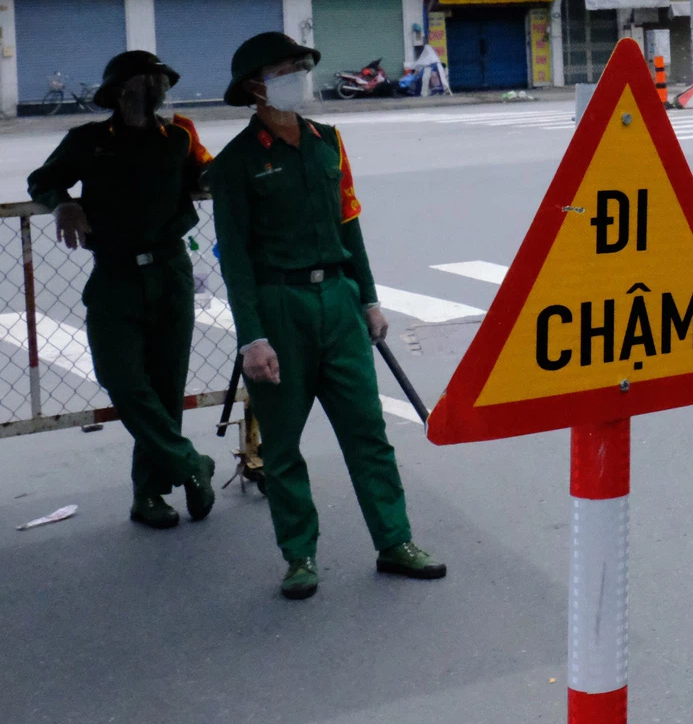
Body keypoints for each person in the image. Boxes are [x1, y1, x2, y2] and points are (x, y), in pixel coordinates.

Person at [207, 32, 444, 600]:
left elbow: (349, 224)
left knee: (368, 433)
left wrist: (367, 296)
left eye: (300, 65)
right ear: (256, 86)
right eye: (286, 67)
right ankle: (300, 557)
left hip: (337, 301)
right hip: (278, 306)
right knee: (284, 446)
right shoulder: (236, 163)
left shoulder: (328, 142)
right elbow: (234, 257)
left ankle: (395, 542)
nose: (299, 74)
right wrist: (252, 337)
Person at [26, 52, 215, 530]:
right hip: (115, 277)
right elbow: (42, 181)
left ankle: (148, 495)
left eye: (157, 84)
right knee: (122, 379)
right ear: (115, 93)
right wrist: (63, 205)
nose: (149, 92)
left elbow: (207, 179)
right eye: (138, 84)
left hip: (171, 274)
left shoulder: (179, 138)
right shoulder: (88, 141)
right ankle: (191, 464)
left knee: (166, 388)